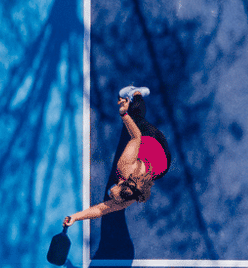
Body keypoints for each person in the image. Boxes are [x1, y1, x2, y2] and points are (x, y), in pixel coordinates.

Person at [62, 86, 171, 228]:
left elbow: (101, 209)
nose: (111, 196)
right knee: (136, 119)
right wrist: (124, 114)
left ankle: (136, 97)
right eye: (114, 196)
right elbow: (136, 137)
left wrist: (74, 217)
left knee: (133, 142)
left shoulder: (131, 196)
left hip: (164, 162)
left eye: (113, 198)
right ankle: (136, 93)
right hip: (152, 139)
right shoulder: (124, 166)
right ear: (121, 183)